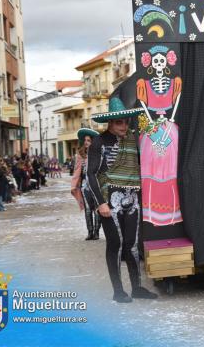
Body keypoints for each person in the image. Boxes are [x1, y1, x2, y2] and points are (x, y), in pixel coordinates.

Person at [87, 97, 156, 303]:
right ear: (110, 123)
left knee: (132, 244)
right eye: (119, 122)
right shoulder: (99, 142)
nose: (123, 125)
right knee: (115, 244)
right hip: (110, 200)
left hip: (132, 197)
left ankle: (137, 288)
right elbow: (91, 174)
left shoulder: (134, 139)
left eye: (126, 121)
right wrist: (100, 203)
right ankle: (118, 290)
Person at [71, 128, 100, 240]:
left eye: (89, 140)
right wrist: (75, 184)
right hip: (85, 186)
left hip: (97, 185)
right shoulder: (80, 155)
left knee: (98, 209)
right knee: (88, 209)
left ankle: (96, 232)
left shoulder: (98, 154)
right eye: (85, 140)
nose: (86, 142)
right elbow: (77, 171)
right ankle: (90, 232)